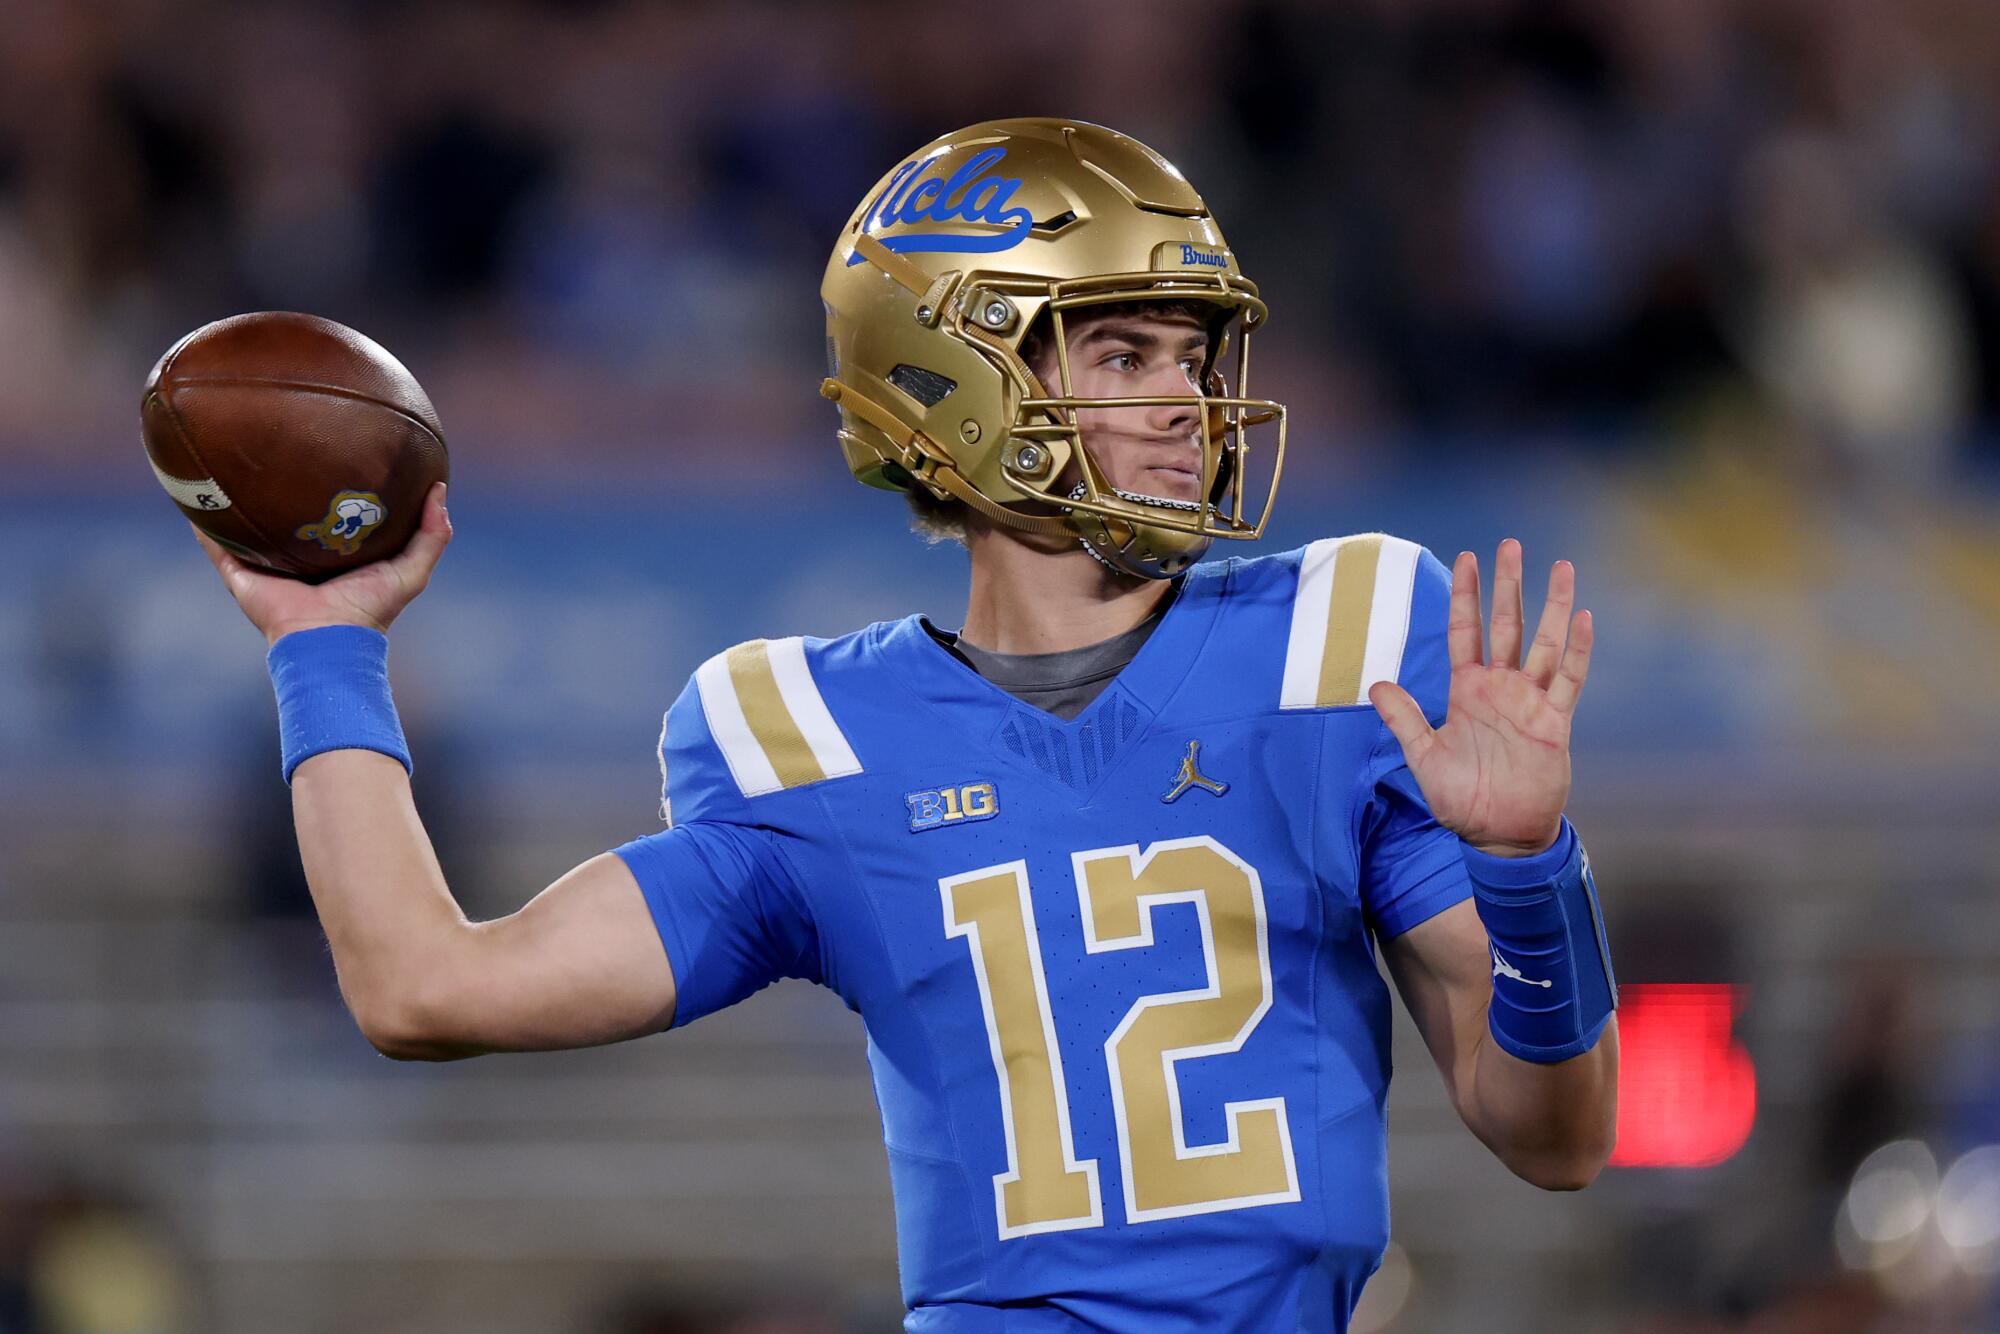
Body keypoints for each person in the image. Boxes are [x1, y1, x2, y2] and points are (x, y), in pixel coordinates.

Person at [192, 119, 1619, 1333]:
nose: (1186, 401)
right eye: (1120, 354)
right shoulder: (813, 736)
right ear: (955, 382)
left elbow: (1555, 1134)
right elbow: (422, 989)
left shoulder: (1344, 642)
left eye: (1191, 354)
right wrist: (326, 649)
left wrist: (1532, 868)